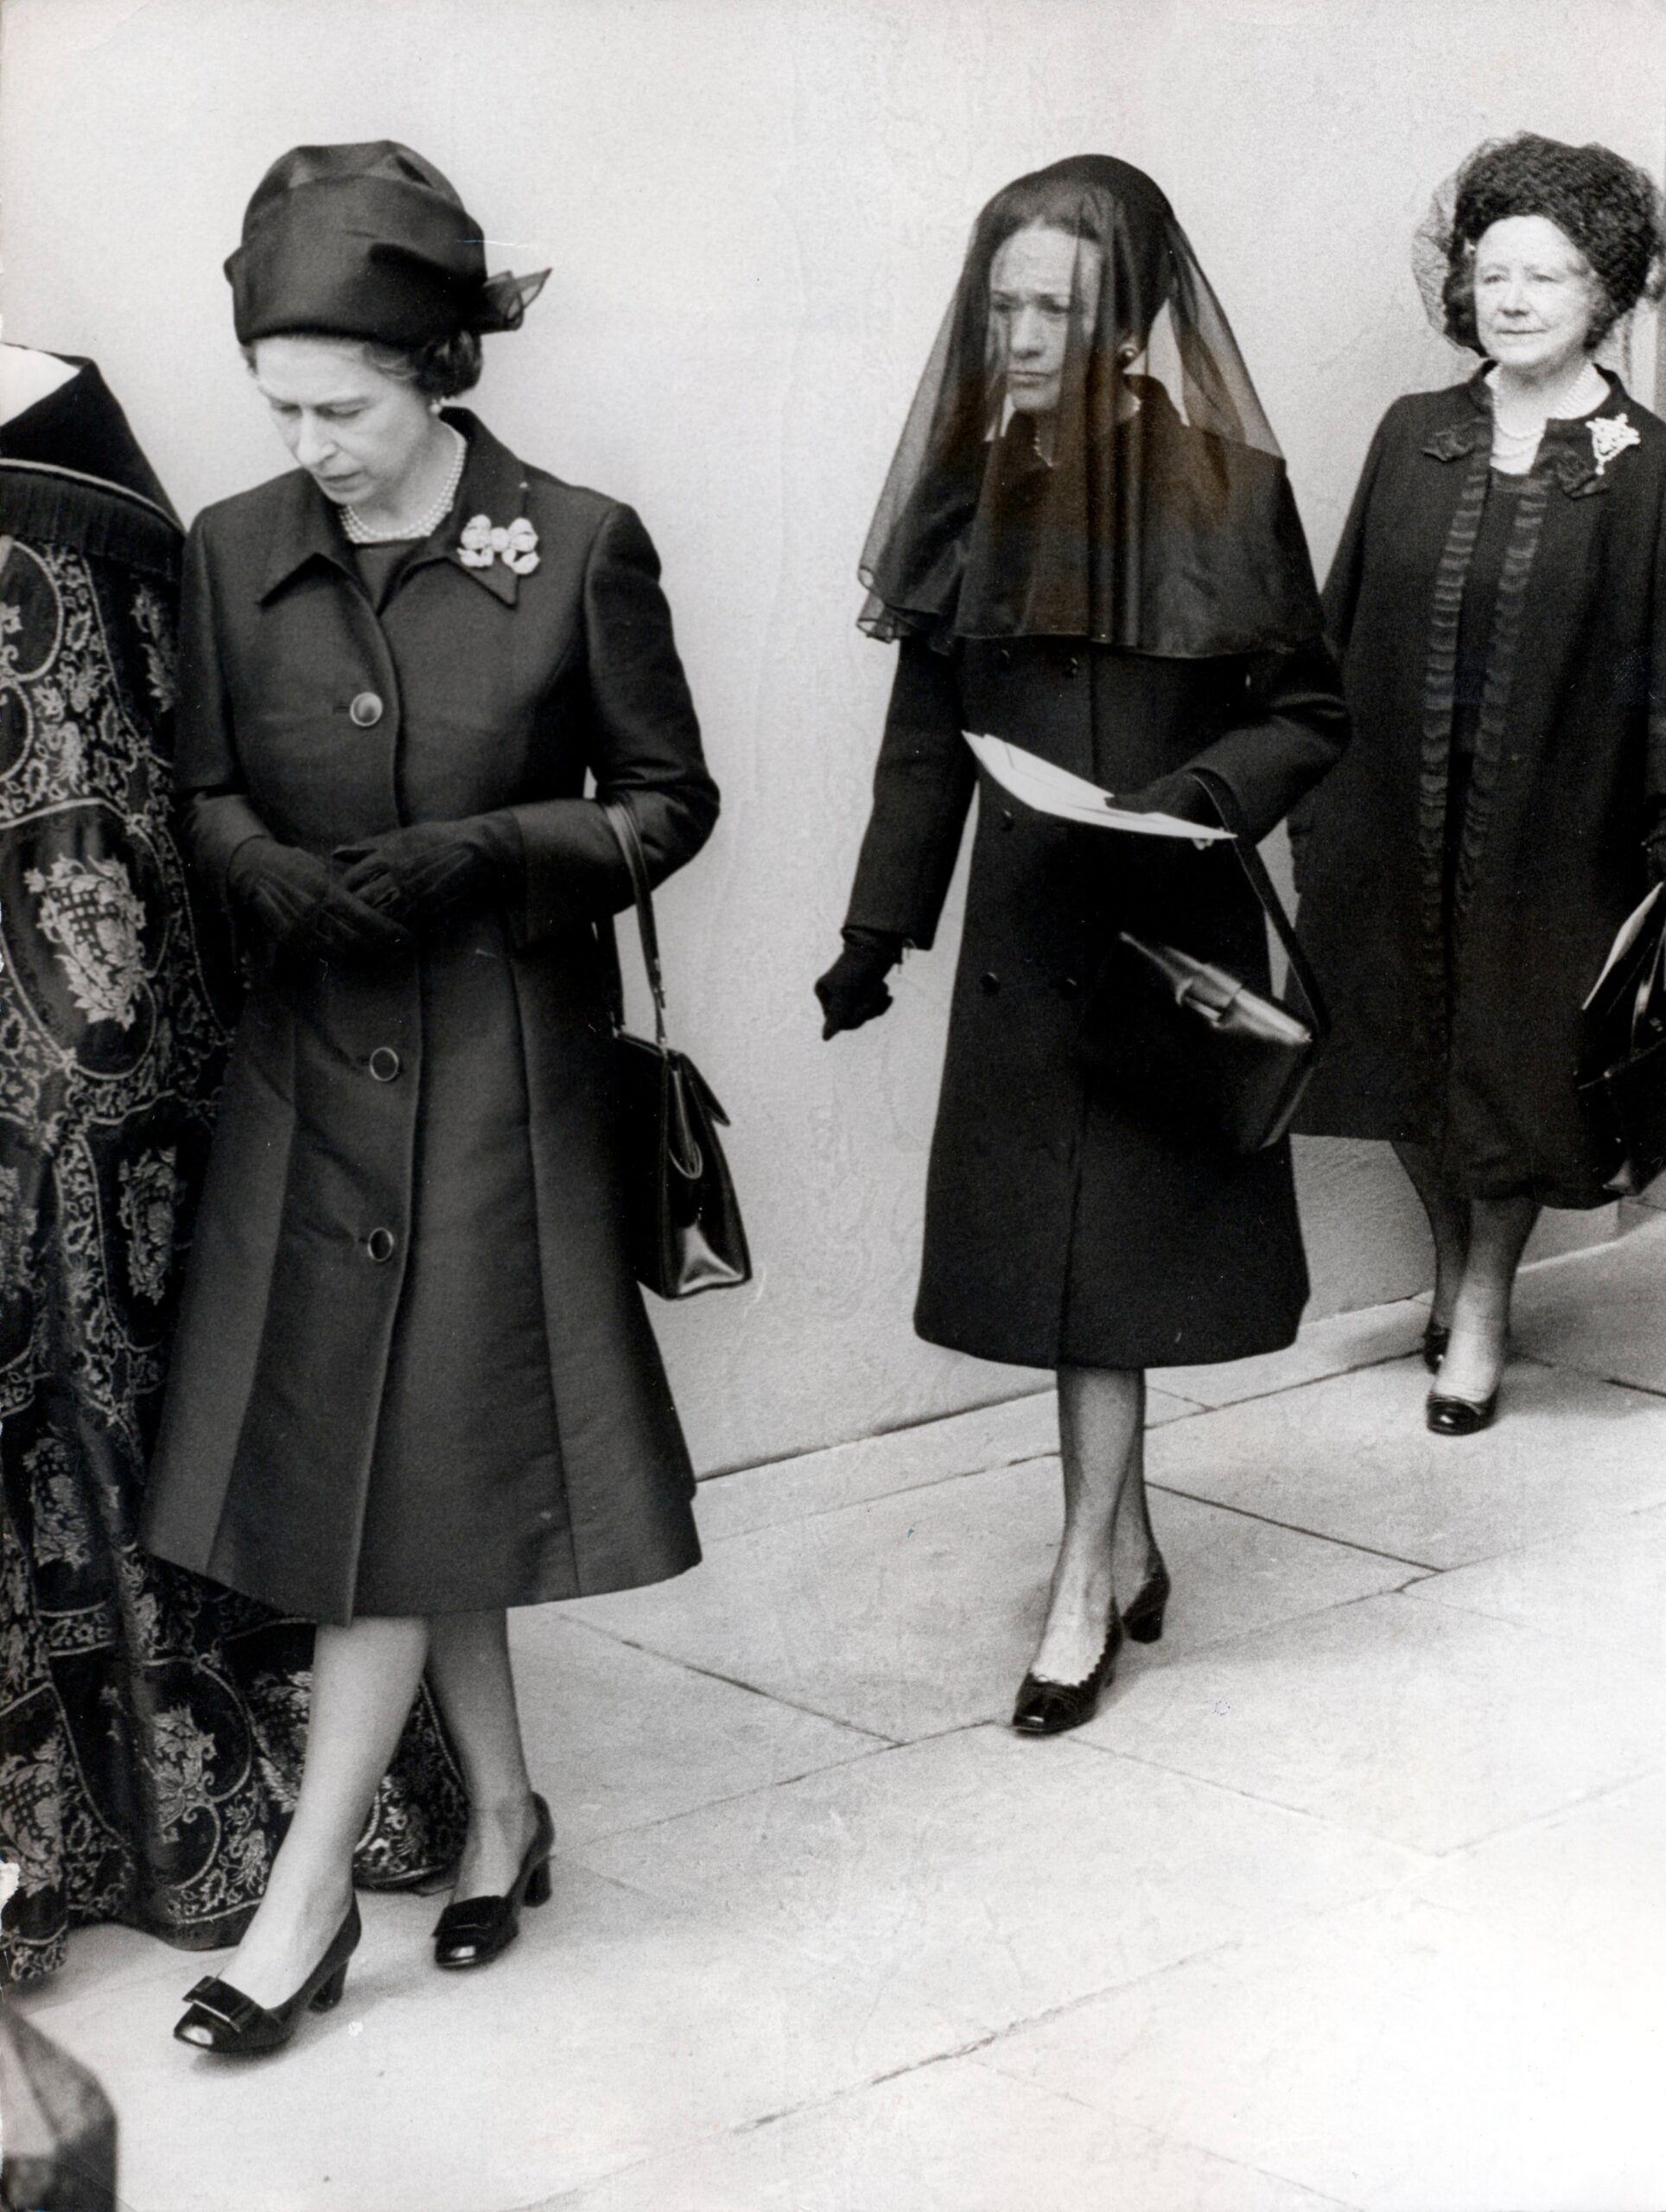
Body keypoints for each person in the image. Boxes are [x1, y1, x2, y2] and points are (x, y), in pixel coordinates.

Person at [141, 142, 719, 2053]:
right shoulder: (231, 547)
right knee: (418, 1461)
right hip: (312, 1083)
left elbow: (667, 802)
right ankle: (507, 1812)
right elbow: (209, 789)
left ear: (440, 374)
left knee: (397, 1476)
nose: (311, 442)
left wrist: (494, 850)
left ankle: (300, 1911)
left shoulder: (579, 541)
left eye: (348, 406)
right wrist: (256, 875)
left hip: (494, 1086)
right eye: (282, 406)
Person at [816, 156, 1348, 1736]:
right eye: (1004, 302)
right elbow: (926, 738)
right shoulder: (967, 487)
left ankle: (1077, 1589)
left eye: (1057, 305)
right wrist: (875, 927)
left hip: (1166, 936)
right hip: (1020, 939)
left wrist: (1201, 795)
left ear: (1128, 317)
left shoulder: (1230, 490)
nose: (1025, 332)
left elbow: (1313, 714)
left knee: (1106, 1277)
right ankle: (1118, 1543)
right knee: (1064, 1284)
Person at [0, 344, 463, 1990]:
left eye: (334, 403)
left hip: (94, 1033)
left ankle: (319, 1853)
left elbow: (142, 773)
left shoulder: (57, 423)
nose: (307, 440)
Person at [1290, 134, 1666, 1435]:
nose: (1512, 299)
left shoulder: (1650, 466)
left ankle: (1487, 1302)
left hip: (1560, 833)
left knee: (1516, 1059)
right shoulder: (1413, 435)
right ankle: (1451, 1264)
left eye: (1547, 278)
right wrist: (1311, 783)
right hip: (1393, 811)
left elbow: (1665, 667)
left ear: (1606, 295)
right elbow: (1338, 630)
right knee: (1398, 1048)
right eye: (1493, 272)